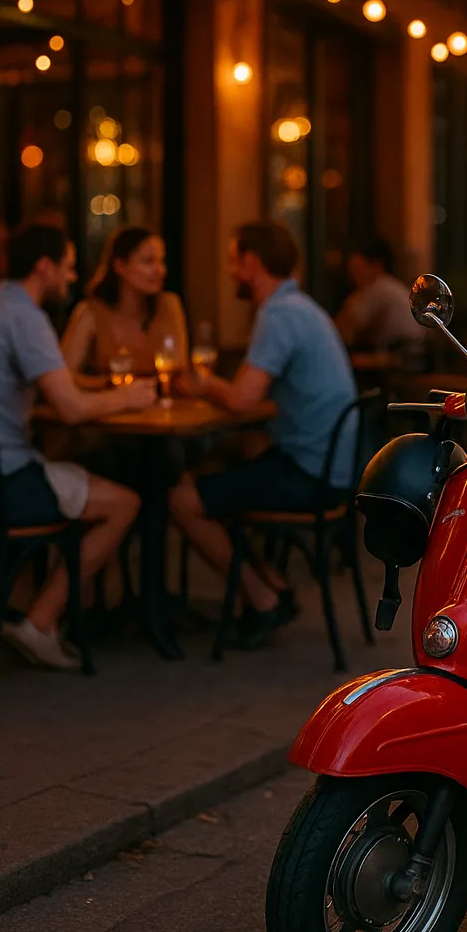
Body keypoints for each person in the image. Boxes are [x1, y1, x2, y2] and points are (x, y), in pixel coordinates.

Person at [0, 222, 157, 671]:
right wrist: (128, 396)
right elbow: (70, 408)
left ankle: (21, 613)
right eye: (68, 268)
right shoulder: (25, 318)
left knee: (69, 474)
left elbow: (59, 388)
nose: (72, 278)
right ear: (44, 267)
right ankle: (40, 621)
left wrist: (102, 388)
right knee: (125, 502)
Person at [169, 220, 357, 648]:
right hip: (332, 467)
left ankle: (262, 596)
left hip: (310, 475)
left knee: (182, 499)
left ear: (252, 262)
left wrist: (202, 383)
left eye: (234, 262)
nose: (231, 272)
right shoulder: (303, 307)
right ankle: (267, 582)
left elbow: (240, 400)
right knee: (213, 467)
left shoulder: (278, 314)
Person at [61, 226, 188, 377]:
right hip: (109, 398)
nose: (159, 270)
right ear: (120, 266)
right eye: (148, 262)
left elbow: (180, 371)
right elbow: (63, 376)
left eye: (161, 261)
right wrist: (106, 386)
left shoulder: (169, 305)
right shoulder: (91, 312)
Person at [335, 238, 420, 356]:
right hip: (413, 356)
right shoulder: (392, 286)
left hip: (398, 361)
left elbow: (343, 330)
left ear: (376, 266)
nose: (352, 278)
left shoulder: (378, 288)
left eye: (357, 270)